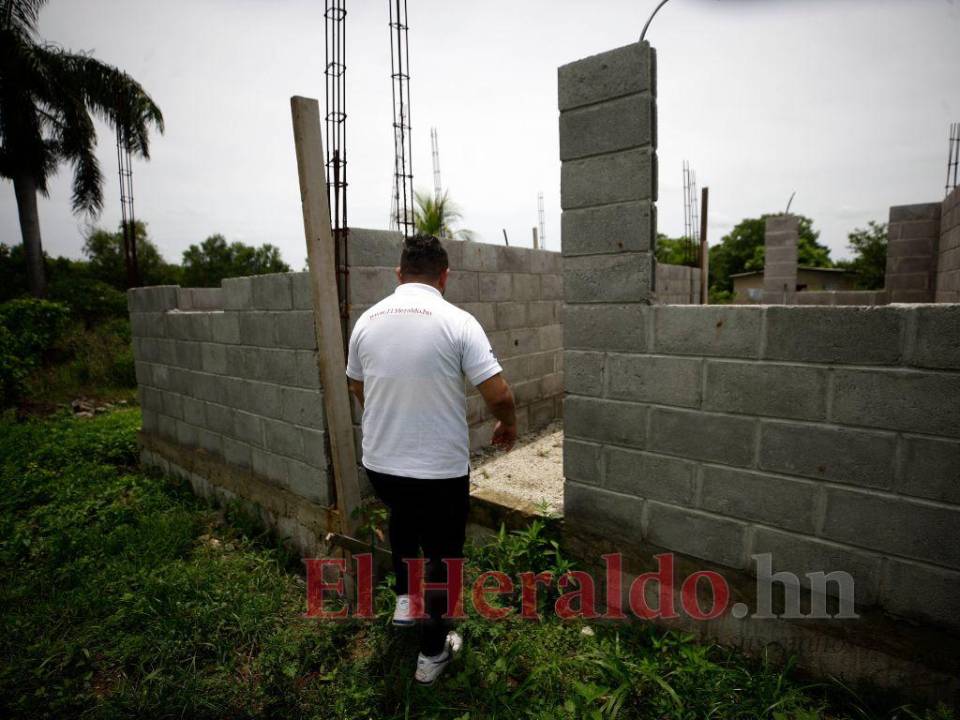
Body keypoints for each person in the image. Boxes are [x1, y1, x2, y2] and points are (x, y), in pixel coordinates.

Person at [345, 234, 517, 686]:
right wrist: (509, 424)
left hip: (381, 465)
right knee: (443, 557)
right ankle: (432, 654)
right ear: (444, 276)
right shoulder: (457, 320)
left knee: (402, 517)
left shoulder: (367, 320)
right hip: (439, 472)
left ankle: (405, 601)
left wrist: (386, 415)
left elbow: (356, 383)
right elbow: (498, 393)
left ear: (399, 275)